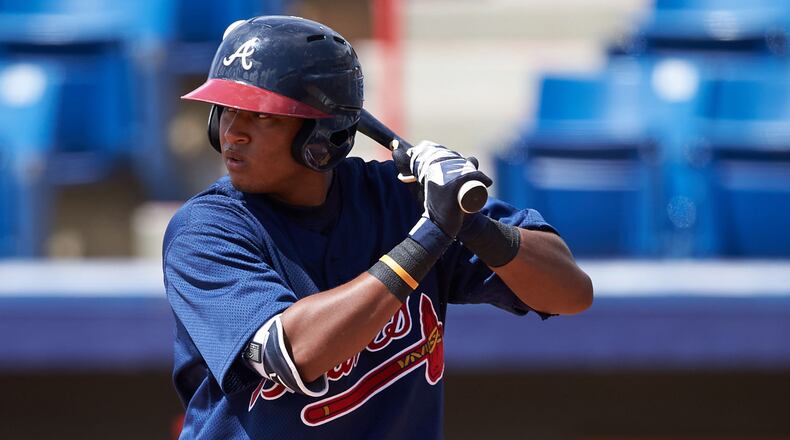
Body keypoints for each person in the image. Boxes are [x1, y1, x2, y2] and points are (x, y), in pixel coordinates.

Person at [164, 15, 592, 439]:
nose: (232, 133)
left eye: (262, 116)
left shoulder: (396, 199)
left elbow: (571, 292)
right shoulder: (207, 230)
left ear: (322, 135)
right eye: (226, 110)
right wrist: (430, 236)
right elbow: (292, 354)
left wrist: (469, 222)